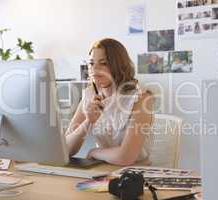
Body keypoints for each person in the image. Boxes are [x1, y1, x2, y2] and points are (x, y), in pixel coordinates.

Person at [66, 38, 154, 166]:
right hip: (102, 170)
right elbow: (66, 149)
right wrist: (88, 121)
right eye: (91, 63)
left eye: (103, 63)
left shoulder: (140, 98)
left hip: (137, 172)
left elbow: (126, 157)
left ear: (119, 66)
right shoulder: (90, 95)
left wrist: (93, 152)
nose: (94, 68)